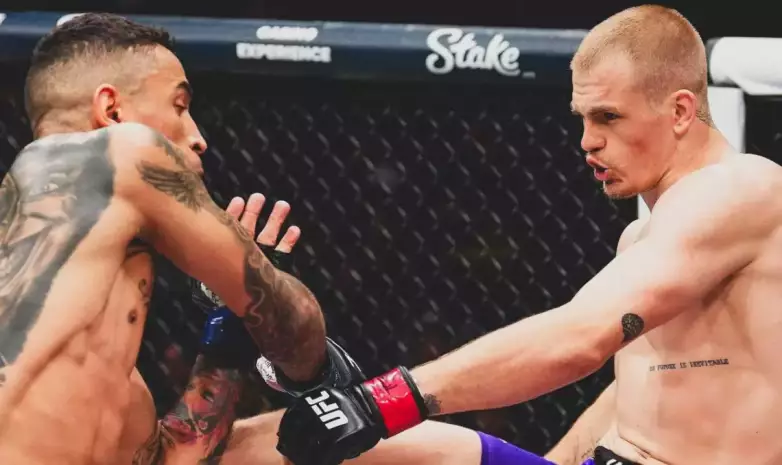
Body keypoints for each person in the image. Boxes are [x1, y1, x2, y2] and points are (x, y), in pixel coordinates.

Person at [273, 5, 782, 465]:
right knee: (263, 444)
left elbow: (578, 337)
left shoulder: (741, 188)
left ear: (680, 111)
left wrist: (380, 402)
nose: (588, 141)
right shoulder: (643, 236)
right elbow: (638, 394)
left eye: (608, 117)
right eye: (583, 119)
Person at [0, 13, 364, 465]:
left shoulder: (96, 374)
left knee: (414, 446)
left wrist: (231, 330)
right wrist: (320, 373)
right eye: (179, 106)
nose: (197, 137)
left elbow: (176, 457)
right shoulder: (122, 150)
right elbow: (294, 323)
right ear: (112, 111)